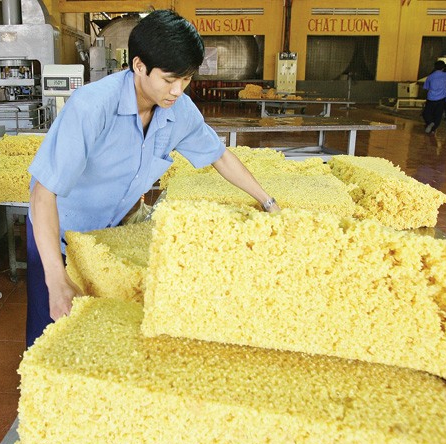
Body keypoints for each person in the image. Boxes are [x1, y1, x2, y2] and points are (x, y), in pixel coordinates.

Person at [26, 10, 280, 348]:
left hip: (105, 236)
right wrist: (56, 278)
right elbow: (43, 193)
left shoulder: (179, 110)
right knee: (51, 334)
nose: (177, 90)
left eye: (186, 79)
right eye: (169, 79)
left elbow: (218, 156)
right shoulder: (92, 107)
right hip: (55, 232)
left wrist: (268, 202)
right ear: (139, 65)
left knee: (100, 335)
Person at [422, 60, 446, 134]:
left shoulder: (430, 76)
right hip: (441, 98)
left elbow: (426, 87)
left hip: (431, 98)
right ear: (443, 68)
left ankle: (430, 122)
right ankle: (433, 129)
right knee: (438, 115)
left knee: (426, 113)